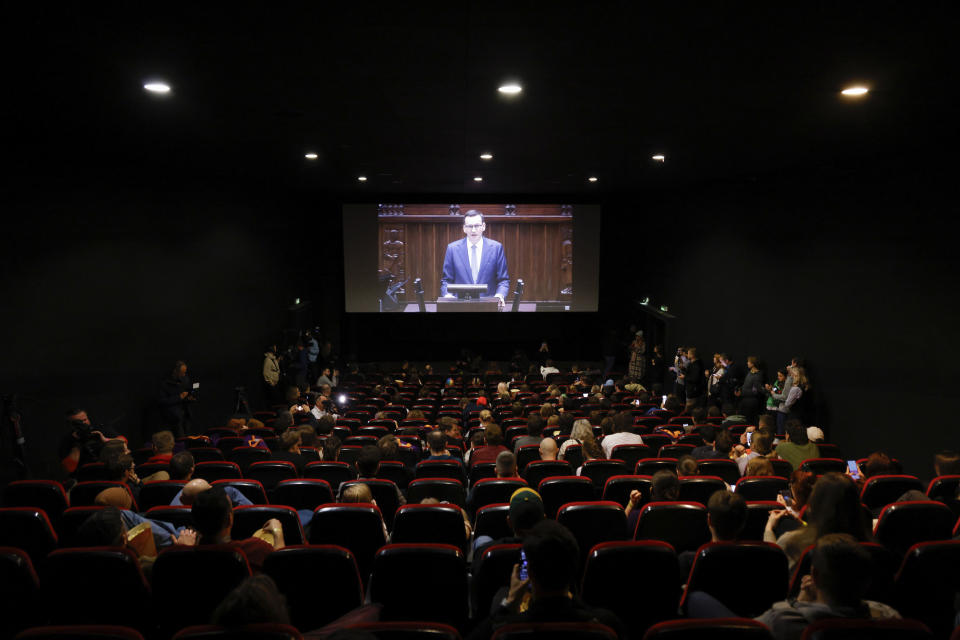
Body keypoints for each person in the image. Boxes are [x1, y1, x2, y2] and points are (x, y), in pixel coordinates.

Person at [686, 533, 901, 639]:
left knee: (696, 598)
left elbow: (751, 628)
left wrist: (798, 602)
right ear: (867, 580)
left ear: (814, 575)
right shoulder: (889, 616)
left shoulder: (783, 619)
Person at [467, 519, 626, 640]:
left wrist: (509, 602)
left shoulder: (505, 629)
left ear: (528, 572)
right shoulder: (605, 626)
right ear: (575, 568)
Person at [764, 472, 871, 571]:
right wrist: (801, 521)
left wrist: (769, 529)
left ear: (813, 505)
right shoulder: (870, 549)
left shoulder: (792, 543)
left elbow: (773, 567)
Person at [187, 486, 284, 572]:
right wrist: (277, 531)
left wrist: (184, 547)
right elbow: (279, 566)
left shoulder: (181, 554)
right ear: (230, 519)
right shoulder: (256, 548)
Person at [440, 210, 509, 308]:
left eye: (476, 226)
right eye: (469, 226)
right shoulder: (452, 249)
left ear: (483, 226)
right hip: (460, 305)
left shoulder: (496, 248)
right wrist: (448, 296)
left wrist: (499, 296)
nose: (473, 230)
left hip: (488, 305)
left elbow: (503, 280)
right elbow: (446, 281)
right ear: (464, 228)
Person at [159, 360, 196, 436]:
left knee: (187, 438)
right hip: (172, 419)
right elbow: (162, 401)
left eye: (185, 372)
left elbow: (186, 392)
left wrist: (188, 399)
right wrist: (179, 397)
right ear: (175, 371)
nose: (184, 375)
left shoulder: (185, 379)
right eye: (182, 372)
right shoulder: (164, 383)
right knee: (179, 440)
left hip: (185, 416)